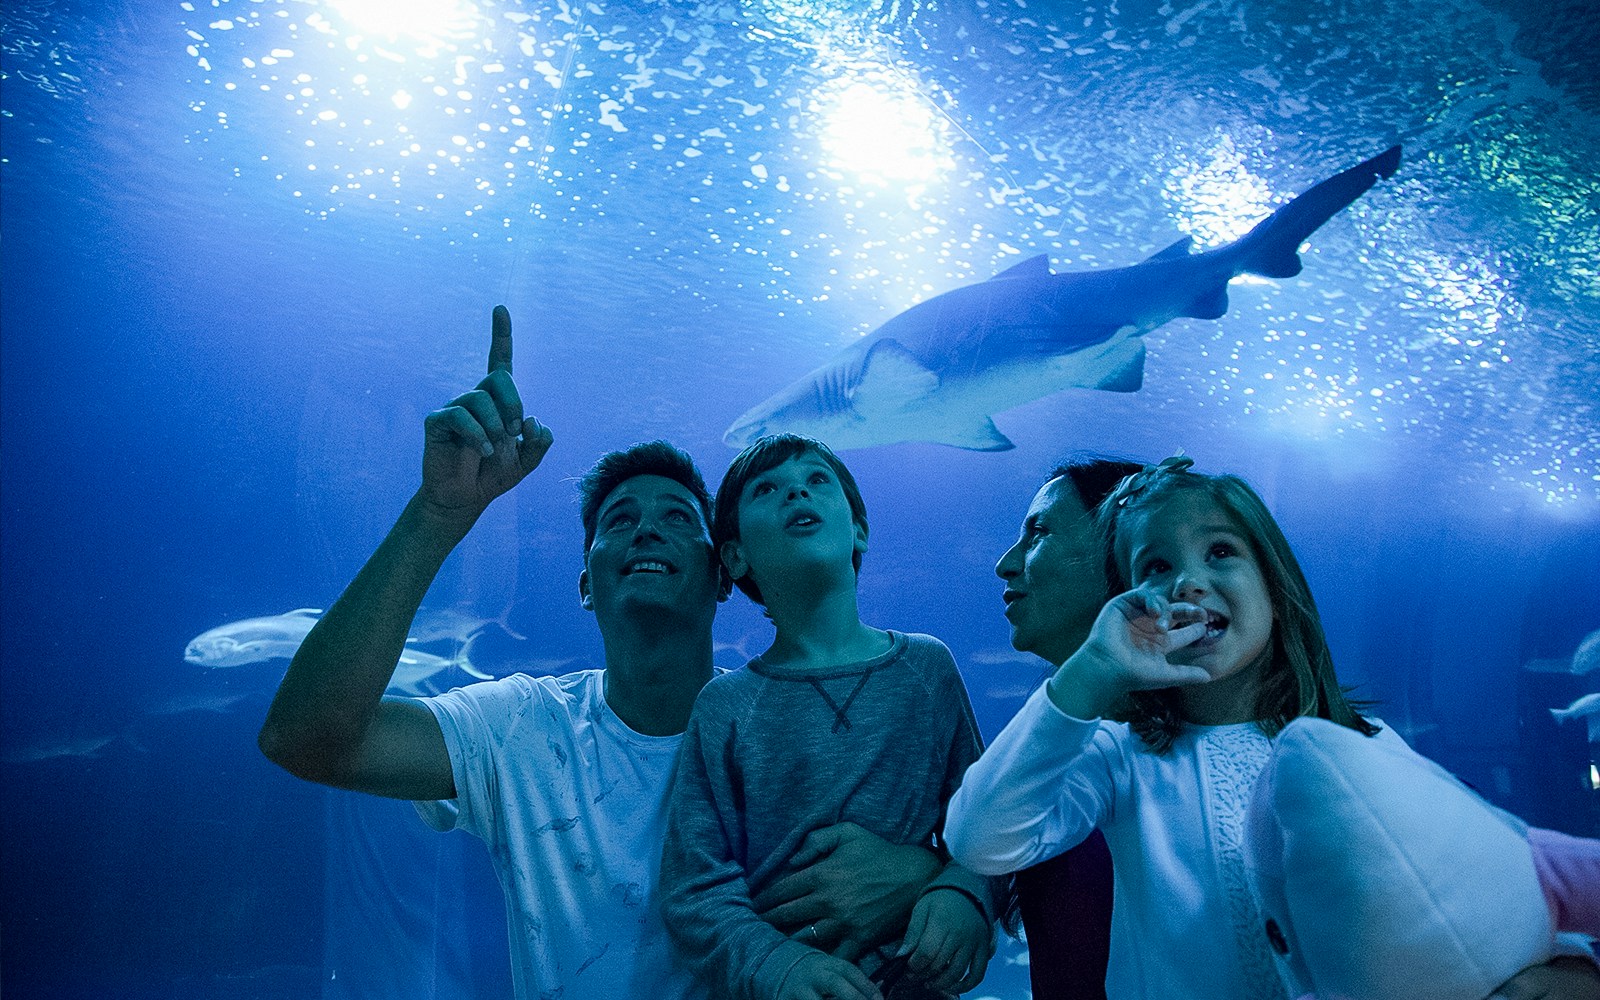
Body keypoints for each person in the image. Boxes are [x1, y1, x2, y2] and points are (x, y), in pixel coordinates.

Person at [257, 308, 942, 1000]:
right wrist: (438, 515)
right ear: (587, 583)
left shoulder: (788, 724)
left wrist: (933, 874)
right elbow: (306, 738)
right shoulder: (518, 730)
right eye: (620, 520)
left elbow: (938, 839)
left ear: (723, 573)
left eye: (679, 518)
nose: (647, 529)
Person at [950, 455, 1600, 999]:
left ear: (1276, 586)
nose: (1190, 581)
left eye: (1222, 551)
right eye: (1154, 567)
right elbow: (982, 838)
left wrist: (1572, 965)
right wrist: (1094, 667)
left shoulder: (1365, 745)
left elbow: (1479, 878)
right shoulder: (1119, 758)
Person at [659, 433, 1005, 1000]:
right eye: (766, 489)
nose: (796, 489)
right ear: (735, 555)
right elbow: (695, 887)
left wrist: (967, 893)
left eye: (818, 479)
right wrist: (776, 965)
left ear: (859, 529)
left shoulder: (927, 668)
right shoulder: (725, 706)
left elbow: (988, 822)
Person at [994, 458, 1141, 1000]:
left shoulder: (1193, 759)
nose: (1005, 565)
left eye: (1038, 532)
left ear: (1119, 551)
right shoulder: (1054, 743)